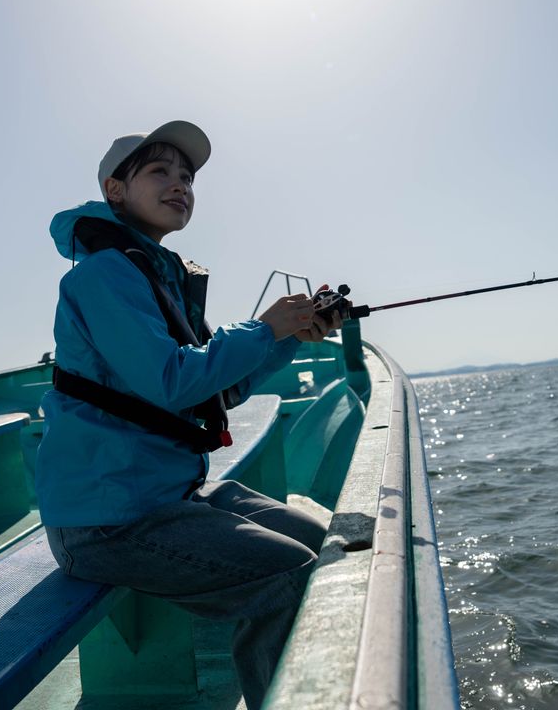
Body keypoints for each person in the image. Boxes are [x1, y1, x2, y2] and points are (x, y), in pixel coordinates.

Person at [36, 120, 338, 709]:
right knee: (287, 573)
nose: (180, 185)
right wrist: (263, 326)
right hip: (108, 520)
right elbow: (173, 381)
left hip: (167, 497)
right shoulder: (102, 275)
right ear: (115, 190)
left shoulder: (156, 274)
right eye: (159, 172)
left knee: (330, 547)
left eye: (187, 177)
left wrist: (292, 335)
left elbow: (216, 393)